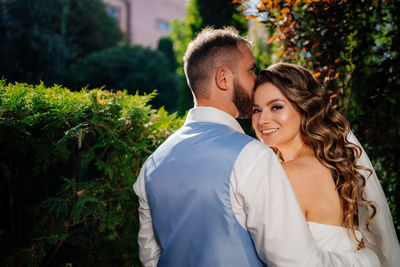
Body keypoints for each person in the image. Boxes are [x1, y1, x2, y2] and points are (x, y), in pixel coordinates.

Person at [133, 27, 380, 267]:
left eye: (276, 107)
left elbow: (151, 258)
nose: (255, 79)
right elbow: (293, 261)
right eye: (251, 70)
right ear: (223, 78)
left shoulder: (152, 165)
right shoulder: (252, 156)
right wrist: (367, 260)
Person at [252, 62, 400, 266]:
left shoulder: (287, 174)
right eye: (256, 109)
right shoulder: (335, 166)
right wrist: (367, 258)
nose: (262, 120)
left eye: (276, 107)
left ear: (304, 108)